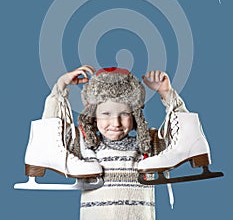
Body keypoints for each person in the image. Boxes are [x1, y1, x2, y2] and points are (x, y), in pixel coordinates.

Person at [42, 65, 188, 220]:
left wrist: (167, 93)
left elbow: (185, 135)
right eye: (106, 113)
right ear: (93, 116)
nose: (116, 122)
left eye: (124, 113)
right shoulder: (85, 146)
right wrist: (60, 87)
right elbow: (50, 134)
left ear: (135, 115)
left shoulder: (149, 146)